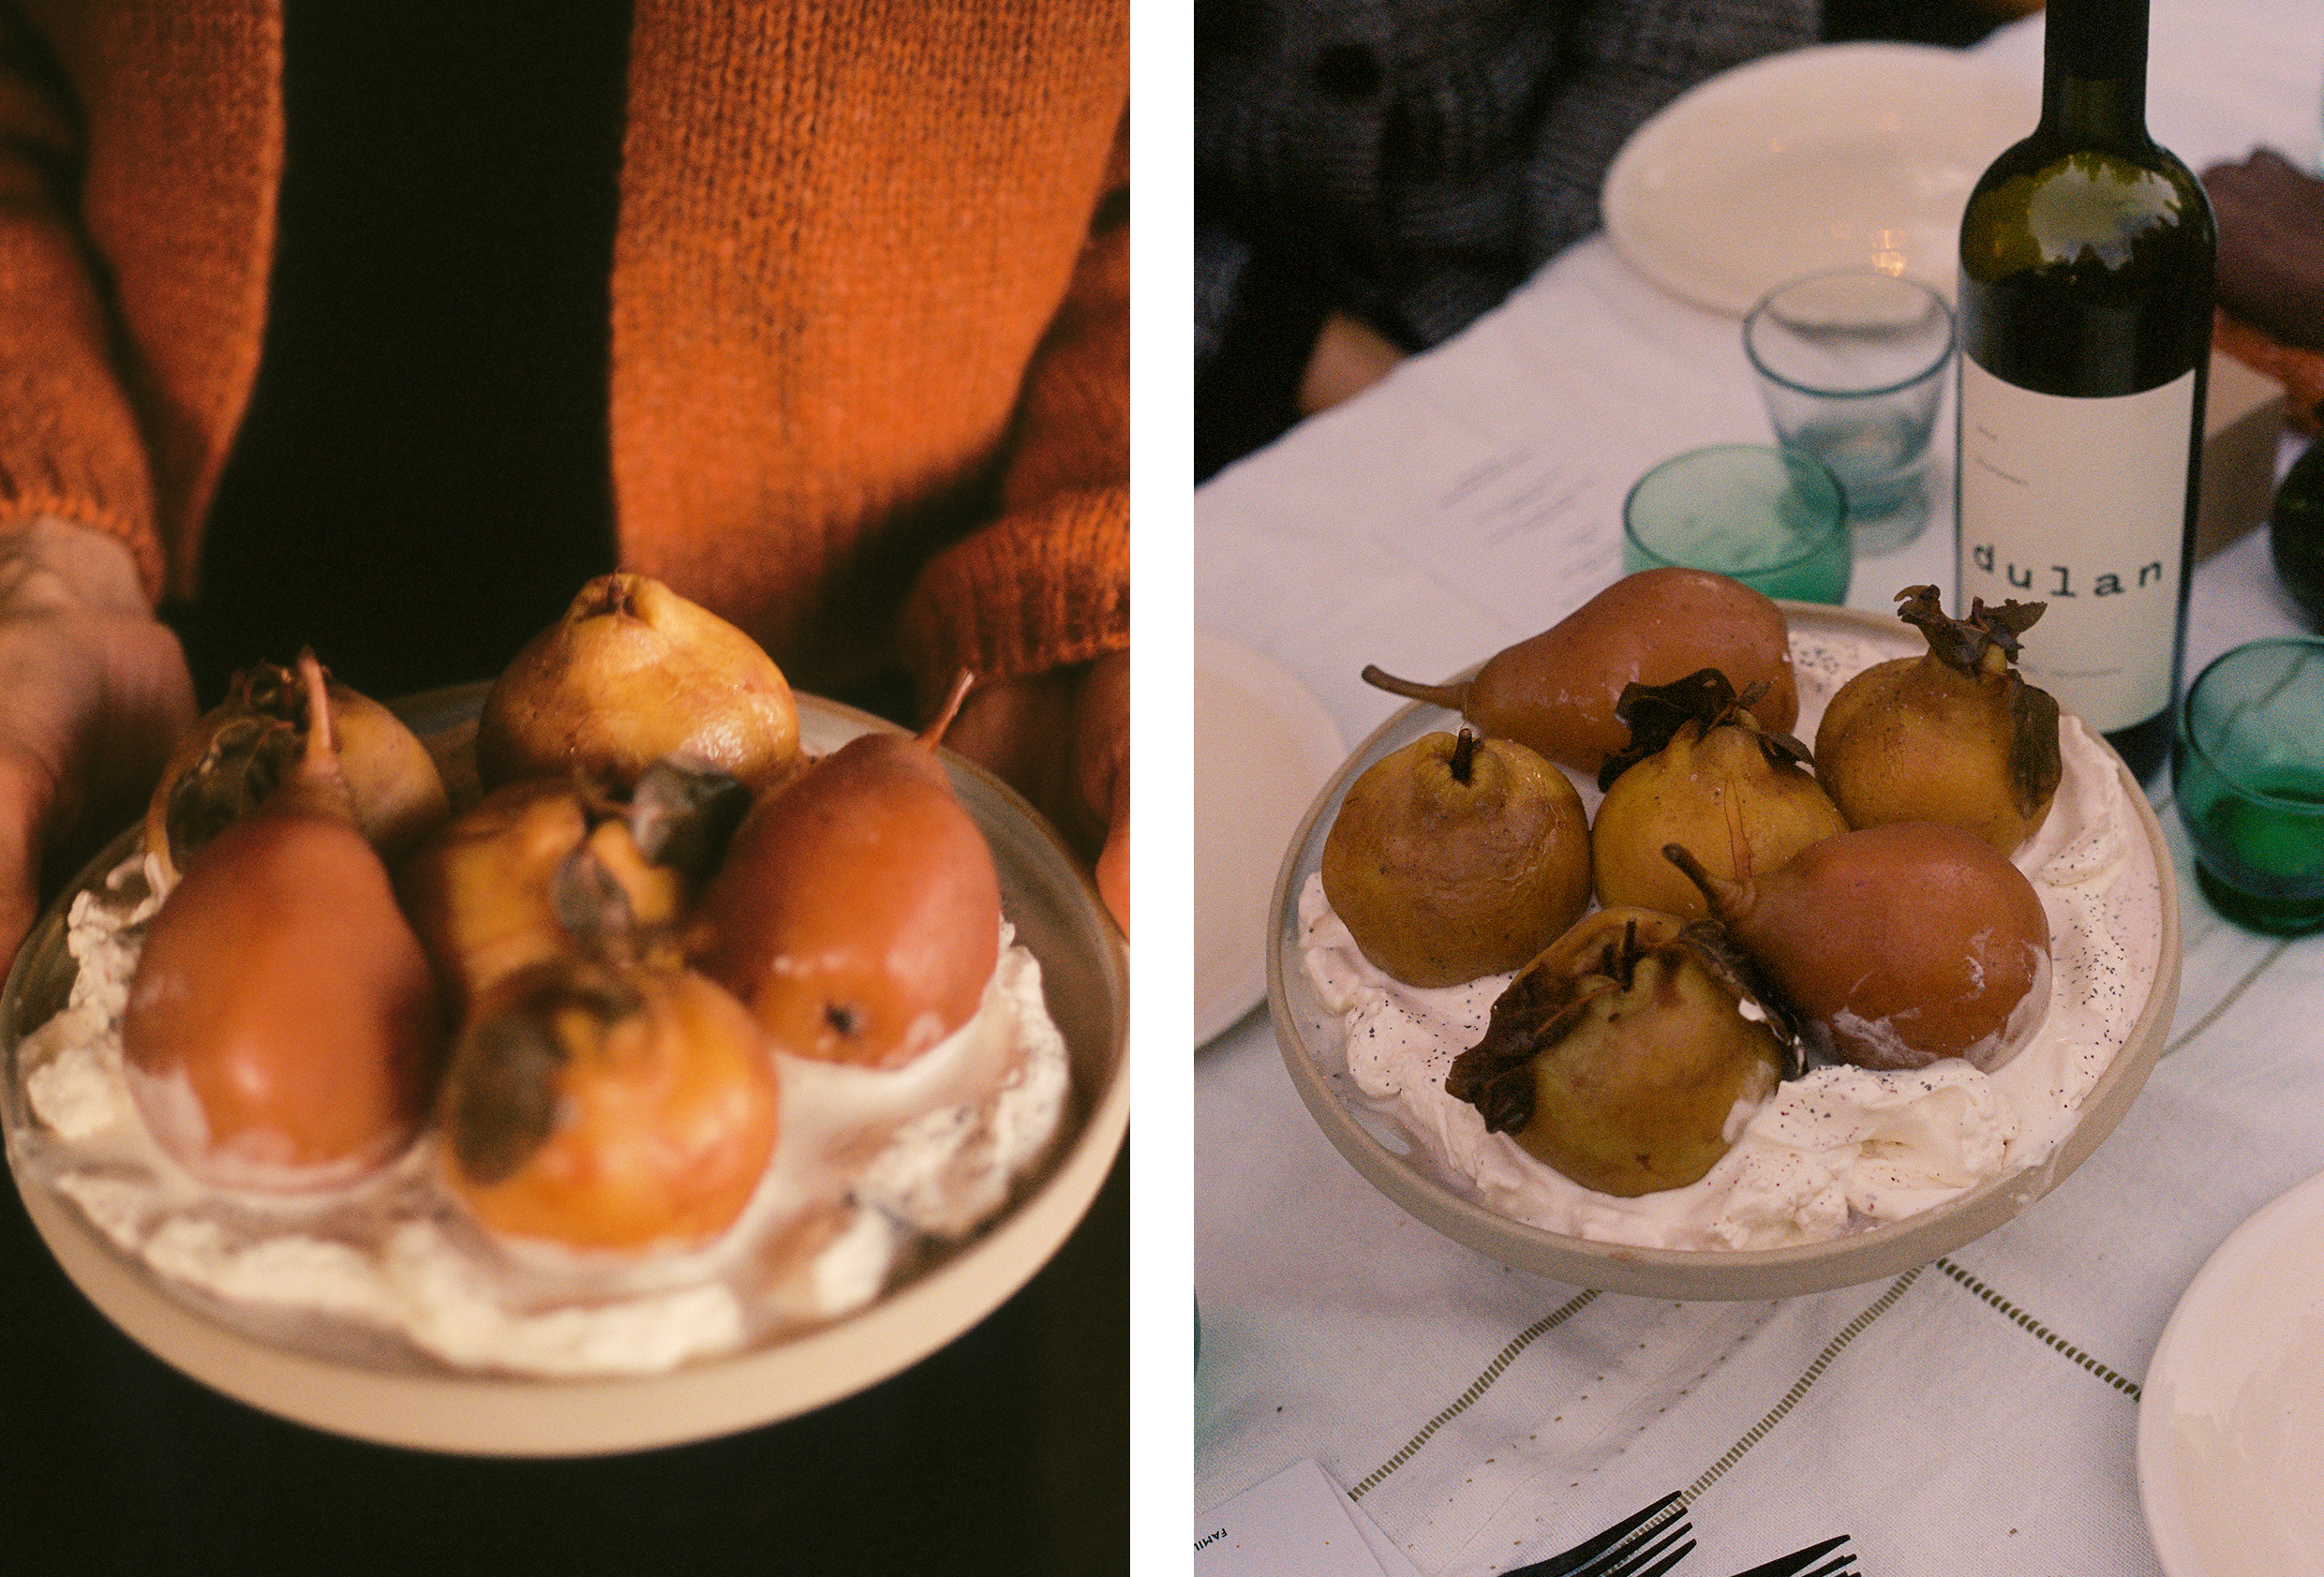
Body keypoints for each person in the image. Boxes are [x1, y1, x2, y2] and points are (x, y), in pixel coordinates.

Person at [0, 0, 1129, 979]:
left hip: (888, 724)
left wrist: (1083, 575)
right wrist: (47, 565)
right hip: (178, 710)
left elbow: (1163, 166)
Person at [1195, 0, 1819, 480]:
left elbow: (1687, 34)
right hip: (1172, 354)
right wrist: (1275, 342)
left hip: (1561, 266)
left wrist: (1572, 306)